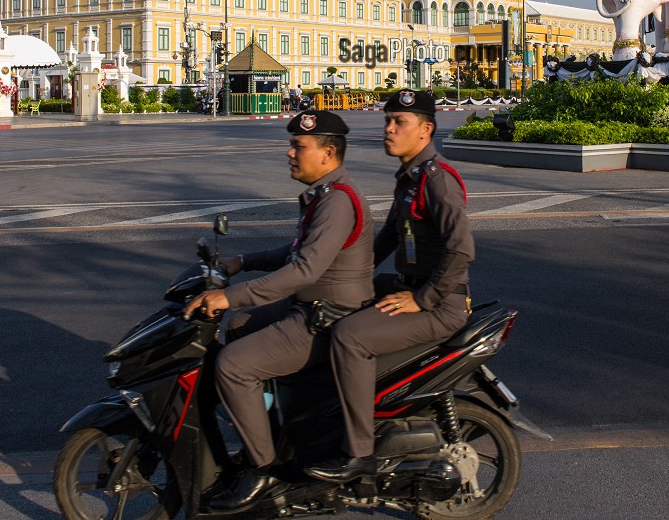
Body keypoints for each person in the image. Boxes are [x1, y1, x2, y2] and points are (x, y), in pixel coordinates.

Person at [183, 109, 373, 511]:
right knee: (238, 328)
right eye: (291, 145)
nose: (289, 153)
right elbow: (294, 252)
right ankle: (275, 437)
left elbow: (304, 269)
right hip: (314, 307)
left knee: (233, 365)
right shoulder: (323, 194)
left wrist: (230, 294)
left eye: (298, 147)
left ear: (327, 153)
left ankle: (263, 468)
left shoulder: (338, 200)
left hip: (327, 317)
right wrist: (242, 261)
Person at [307, 89, 474, 483]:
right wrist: (345, 278)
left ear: (426, 130)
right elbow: (388, 238)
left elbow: (461, 249)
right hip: (408, 284)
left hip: (442, 304)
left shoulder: (438, 181)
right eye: (387, 121)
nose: (389, 129)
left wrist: (422, 299)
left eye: (400, 122)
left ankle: (359, 452)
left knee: (350, 337)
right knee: (338, 304)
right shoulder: (410, 176)